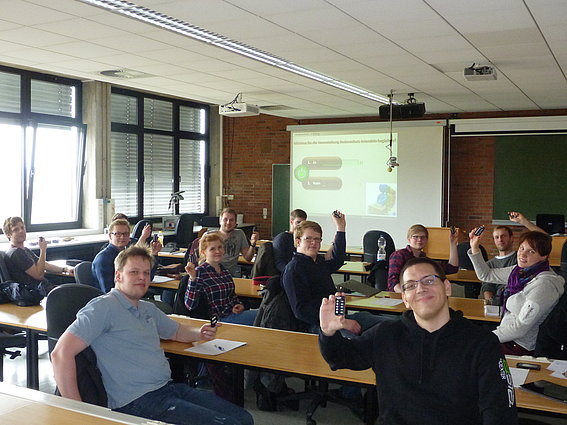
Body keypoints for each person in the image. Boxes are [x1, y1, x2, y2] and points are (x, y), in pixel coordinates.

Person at [51, 245, 253, 425]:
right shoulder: (103, 307)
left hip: (167, 389)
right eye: (134, 272)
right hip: (136, 400)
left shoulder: (147, 308)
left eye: (146, 273)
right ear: (118, 276)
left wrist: (199, 332)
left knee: (244, 418)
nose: (142, 278)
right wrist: (78, 412)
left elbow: (176, 331)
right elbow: (60, 354)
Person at [319, 257, 518, 425]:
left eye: (429, 280)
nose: (421, 288)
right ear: (405, 298)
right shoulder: (385, 334)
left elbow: (499, 412)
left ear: (447, 287)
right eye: (411, 285)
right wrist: (328, 333)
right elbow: (340, 358)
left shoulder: (482, 343)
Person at [469, 229, 564, 355]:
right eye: (521, 248)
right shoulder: (519, 272)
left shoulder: (544, 285)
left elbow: (520, 328)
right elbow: (486, 275)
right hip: (506, 336)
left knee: (470, 352)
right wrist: (475, 247)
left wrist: (486, 338)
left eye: (531, 251)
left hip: (520, 346)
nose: (522, 254)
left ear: (543, 256)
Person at [282, 213, 381, 334]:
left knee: (388, 325)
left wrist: (341, 228)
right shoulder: (294, 269)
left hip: (337, 319)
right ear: (298, 241)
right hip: (317, 326)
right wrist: (339, 322)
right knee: (362, 339)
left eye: (317, 239)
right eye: (308, 239)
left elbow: (337, 260)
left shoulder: (317, 263)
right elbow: (302, 312)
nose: (314, 242)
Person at [185, 233, 256, 325]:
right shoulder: (199, 272)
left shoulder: (224, 271)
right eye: (212, 249)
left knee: (265, 313)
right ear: (203, 252)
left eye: (220, 247)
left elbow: (231, 296)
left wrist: (238, 305)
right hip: (217, 320)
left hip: (232, 313)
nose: (218, 251)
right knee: (264, 315)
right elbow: (190, 305)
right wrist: (192, 279)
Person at [2, 216, 74, 292]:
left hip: (45, 287)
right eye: (16, 230)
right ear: (8, 234)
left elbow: (44, 265)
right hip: (38, 292)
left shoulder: (24, 250)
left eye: (22, 228)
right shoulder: (16, 253)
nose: (21, 231)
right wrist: (43, 250)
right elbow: (39, 275)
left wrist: (65, 269)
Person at [92, 219, 161, 293]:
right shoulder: (103, 259)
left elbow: (147, 278)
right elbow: (108, 291)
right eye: (118, 234)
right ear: (110, 236)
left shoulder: (128, 255)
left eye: (125, 234)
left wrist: (154, 254)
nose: (122, 237)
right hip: (113, 298)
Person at [387, 224, 459, 292]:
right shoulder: (399, 255)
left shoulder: (425, 260)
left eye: (422, 237)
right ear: (409, 239)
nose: (419, 240)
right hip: (399, 295)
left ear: (427, 240)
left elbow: (452, 268)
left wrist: (453, 244)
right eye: (415, 237)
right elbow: (393, 282)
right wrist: (405, 295)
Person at [216, 208, 259, 276]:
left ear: (235, 222)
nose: (228, 222)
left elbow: (248, 258)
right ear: (220, 221)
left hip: (230, 276)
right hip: (212, 275)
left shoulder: (239, 234)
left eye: (231, 220)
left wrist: (253, 243)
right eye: (225, 219)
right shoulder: (210, 236)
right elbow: (201, 259)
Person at [481, 226, 517, 302]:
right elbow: (487, 287)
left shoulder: (520, 259)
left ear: (511, 238)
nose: (500, 240)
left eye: (503, 236)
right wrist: (491, 303)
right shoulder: (489, 264)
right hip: (497, 301)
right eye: (497, 237)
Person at [272, 209, 307, 273]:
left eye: (303, 223)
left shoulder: (303, 239)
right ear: (291, 222)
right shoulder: (282, 238)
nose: (300, 226)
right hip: (286, 273)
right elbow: (279, 262)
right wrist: (291, 273)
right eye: (298, 222)